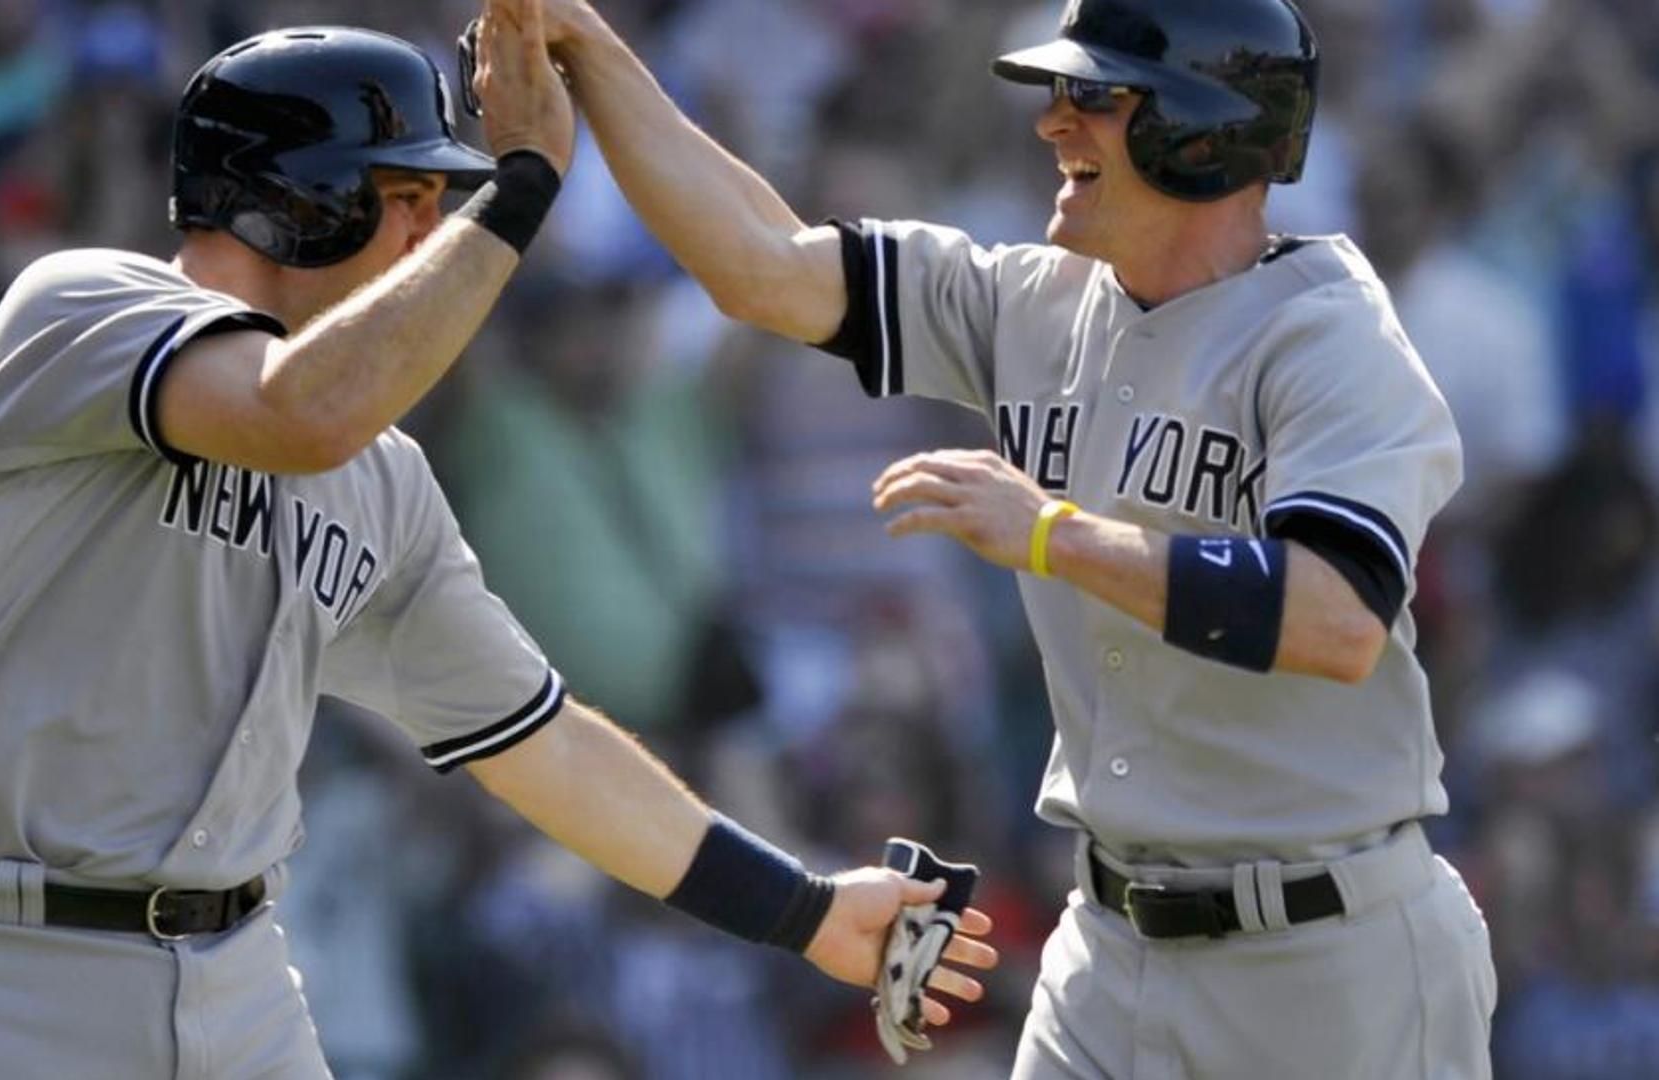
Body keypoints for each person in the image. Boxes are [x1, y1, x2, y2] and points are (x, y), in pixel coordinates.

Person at [0, 10, 996, 1079]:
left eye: (445, 196)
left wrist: (799, 907)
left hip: (236, 976)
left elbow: (543, 746)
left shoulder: (382, 480)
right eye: (400, 193)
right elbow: (298, 410)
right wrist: (521, 190)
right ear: (289, 202)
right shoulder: (77, 310)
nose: (431, 228)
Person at [517, 0, 1496, 1075]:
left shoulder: (1329, 338)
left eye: (1092, 97)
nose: (1052, 123)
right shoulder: (1032, 300)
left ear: (1195, 131)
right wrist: (589, 52)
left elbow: (1333, 614)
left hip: (1326, 959)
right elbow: (761, 264)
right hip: (1110, 946)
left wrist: (1052, 535)